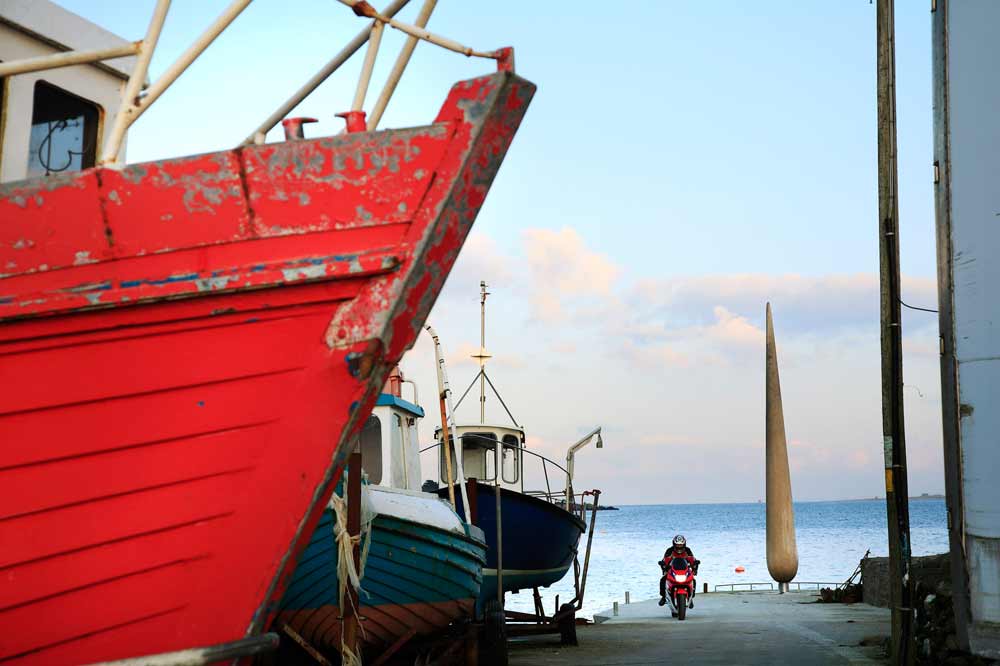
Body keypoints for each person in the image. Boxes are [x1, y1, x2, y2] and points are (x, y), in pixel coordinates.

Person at [658, 534, 699, 607]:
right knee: (663, 580)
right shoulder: (669, 550)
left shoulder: (687, 550)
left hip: (685, 570)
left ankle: (691, 597)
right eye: (677, 545)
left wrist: (694, 566)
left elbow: (692, 559)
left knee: (693, 580)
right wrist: (664, 565)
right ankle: (663, 597)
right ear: (674, 544)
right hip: (672, 570)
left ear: (684, 544)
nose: (679, 547)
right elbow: (665, 559)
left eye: (681, 545)